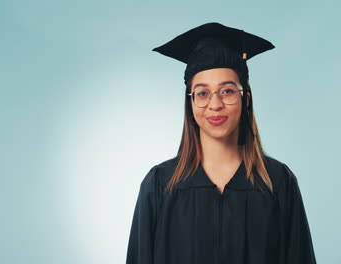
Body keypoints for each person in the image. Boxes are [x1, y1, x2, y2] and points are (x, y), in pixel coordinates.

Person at [125, 22, 317, 264]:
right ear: (191, 102)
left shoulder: (278, 182)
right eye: (202, 93)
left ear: (245, 98)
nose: (214, 104)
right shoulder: (160, 184)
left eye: (227, 91)